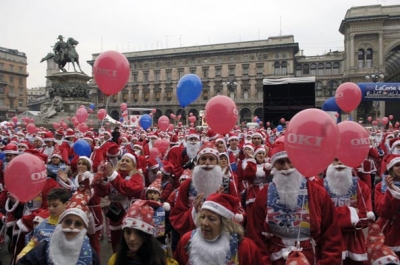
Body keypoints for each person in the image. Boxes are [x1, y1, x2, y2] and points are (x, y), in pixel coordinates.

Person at [247, 141, 342, 264]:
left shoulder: (318, 194)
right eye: (281, 162)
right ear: (273, 166)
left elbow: (331, 236)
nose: (286, 168)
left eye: (290, 161)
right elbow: (256, 236)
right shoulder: (263, 196)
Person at [169, 142, 239, 237]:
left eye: (211, 159)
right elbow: (177, 217)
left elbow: (237, 212)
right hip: (193, 237)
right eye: (203, 159)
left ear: (217, 162)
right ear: (198, 162)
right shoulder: (187, 185)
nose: (207, 163)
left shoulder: (227, 184)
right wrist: (194, 211)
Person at [174, 193, 262, 264]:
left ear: (224, 224)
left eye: (211, 219)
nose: (204, 223)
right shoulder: (187, 241)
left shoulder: (245, 248)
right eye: (203, 217)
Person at [324, 158, 374, 264]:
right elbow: (319, 219)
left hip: (354, 243)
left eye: (344, 159)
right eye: (336, 160)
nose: (340, 163)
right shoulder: (320, 186)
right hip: (328, 242)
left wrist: (332, 214)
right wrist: (352, 212)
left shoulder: (361, 187)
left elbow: (365, 219)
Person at [93, 153, 145, 252]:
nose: (124, 162)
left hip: (130, 214)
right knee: (116, 245)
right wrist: (101, 181)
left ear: (134, 165)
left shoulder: (137, 176)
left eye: (127, 161)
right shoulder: (114, 174)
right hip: (115, 215)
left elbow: (128, 188)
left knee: (130, 244)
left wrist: (113, 176)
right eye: (122, 160)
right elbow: (102, 193)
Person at [18, 206, 100, 265]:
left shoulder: (90, 253)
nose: (72, 227)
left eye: (78, 224)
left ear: (83, 229)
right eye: (67, 222)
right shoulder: (45, 247)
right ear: (60, 224)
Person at [108, 200, 177, 265]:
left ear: (147, 235)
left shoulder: (163, 261)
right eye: (128, 232)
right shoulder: (114, 261)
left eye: (138, 233)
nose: (132, 238)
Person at [17, 188, 69, 260]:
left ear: (66, 204)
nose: (51, 208)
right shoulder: (41, 226)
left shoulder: (72, 225)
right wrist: (23, 254)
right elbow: (33, 242)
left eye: (55, 205)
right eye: (49, 205)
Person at [374, 154, 400, 257]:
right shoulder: (381, 186)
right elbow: (382, 212)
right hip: (389, 230)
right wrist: (391, 193)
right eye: (397, 165)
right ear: (391, 169)